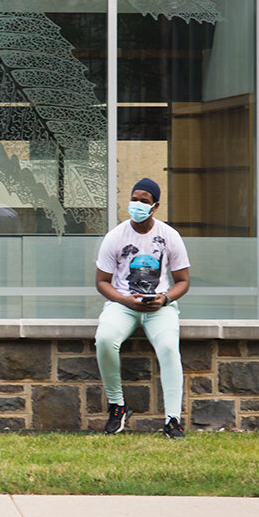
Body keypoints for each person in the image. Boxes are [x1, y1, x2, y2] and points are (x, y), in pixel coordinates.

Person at [93, 178, 192, 438]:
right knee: (105, 339)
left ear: (155, 206)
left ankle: (172, 420)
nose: (136, 205)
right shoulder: (115, 236)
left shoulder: (169, 236)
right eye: (134, 199)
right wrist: (125, 300)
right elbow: (102, 282)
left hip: (159, 307)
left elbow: (183, 281)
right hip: (123, 305)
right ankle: (118, 406)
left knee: (169, 347)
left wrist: (166, 299)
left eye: (143, 201)